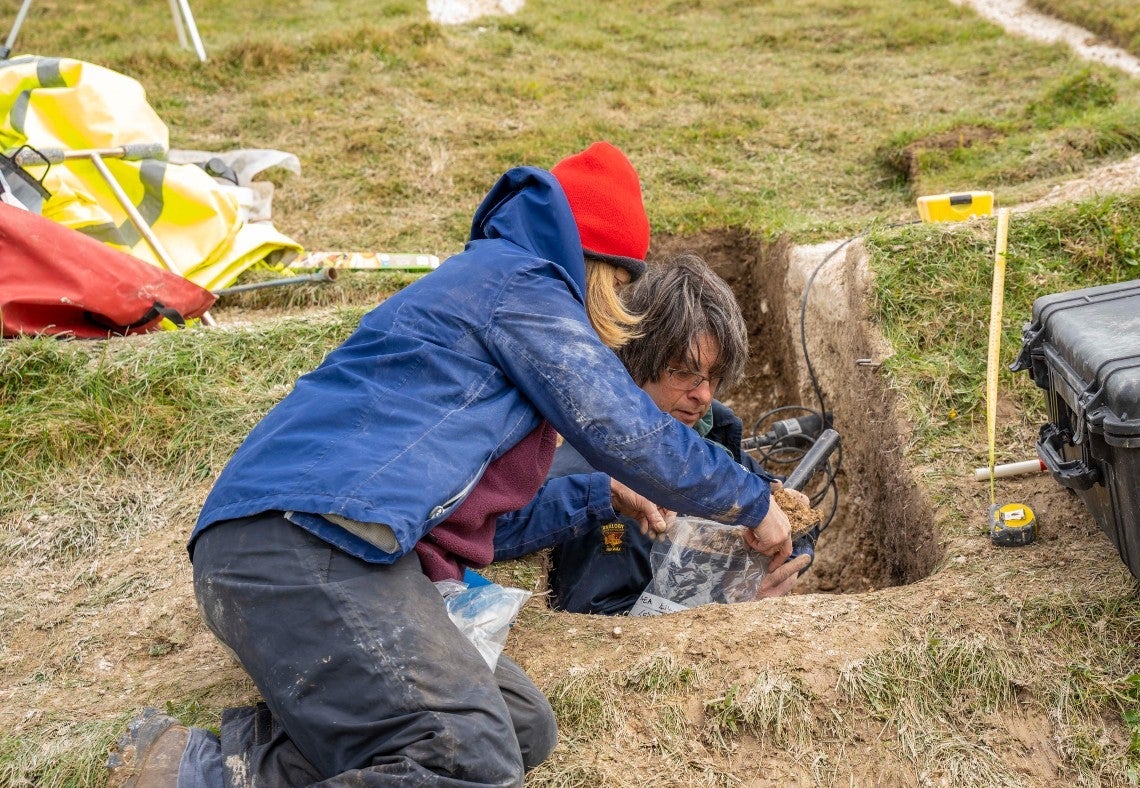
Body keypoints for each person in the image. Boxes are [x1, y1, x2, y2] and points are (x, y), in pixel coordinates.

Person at [108, 142, 793, 787]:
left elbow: (482, 528)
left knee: (521, 727)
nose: (616, 307)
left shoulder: (496, 291)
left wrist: (598, 497)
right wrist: (752, 502)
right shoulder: (522, 288)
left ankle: (215, 768)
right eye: (619, 282)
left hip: (330, 542)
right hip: (300, 539)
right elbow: (626, 429)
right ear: (599, 266)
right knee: (473, 755)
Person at [492, 255, 817, 616]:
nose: (704, 395)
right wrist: (734, 606)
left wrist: (792, 544)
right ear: (635, 362)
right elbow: (594, 620)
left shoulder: (711, 431)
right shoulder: (590, 480)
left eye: (714, 376)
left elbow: (787, 515)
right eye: (684, 373)